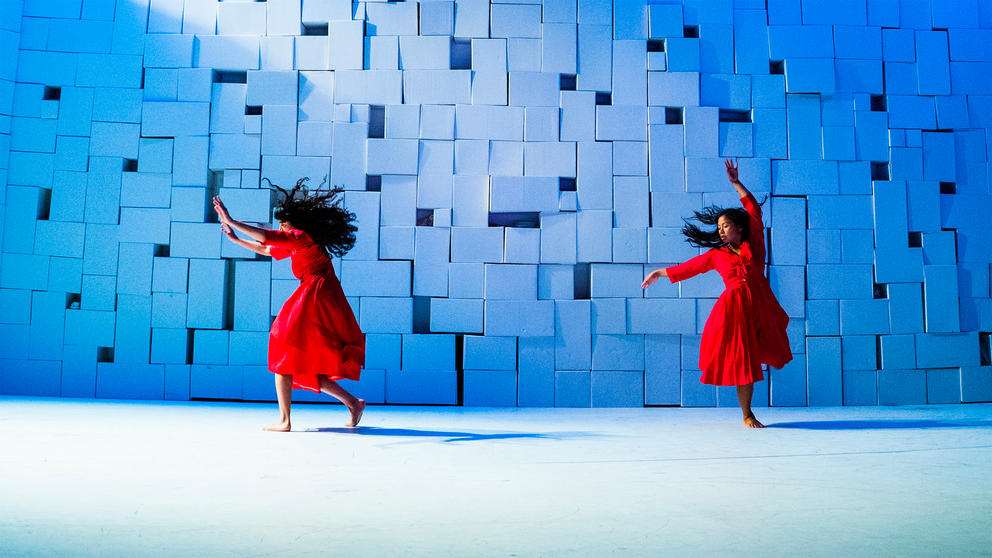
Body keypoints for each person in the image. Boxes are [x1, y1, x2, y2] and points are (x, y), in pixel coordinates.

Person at [641, 160, 792, 428]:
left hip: (761, 304)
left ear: (739, 227)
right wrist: (660, 273)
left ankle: (749, 412)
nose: (720, 230)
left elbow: (754, 211)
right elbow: (690, 268)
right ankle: (748, 414)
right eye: (718, 227)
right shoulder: (716, 255)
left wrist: (736, 183)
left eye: (725, 225)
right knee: (744, 362)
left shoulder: (754, 244)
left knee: (769, 349)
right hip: (735, 310)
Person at [213, 178, 366, 431]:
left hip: (316, 293)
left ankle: (285, 420)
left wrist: (232, 221)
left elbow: (266, 236)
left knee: (283, 343)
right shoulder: (295, 242)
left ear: (292, 223)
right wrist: (235, 240)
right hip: (316, 292)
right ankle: (353, 402)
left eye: (282, 224)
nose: (280, 228)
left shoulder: (300, 236)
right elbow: (267, 249)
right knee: (295, 358)